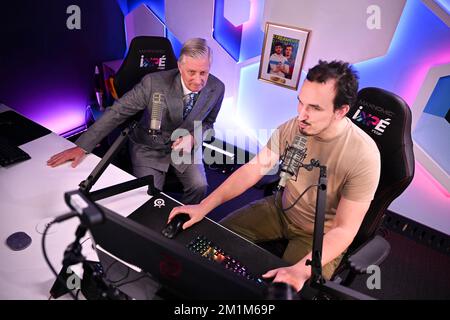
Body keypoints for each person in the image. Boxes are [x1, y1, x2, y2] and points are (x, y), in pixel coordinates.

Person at [168, 60, 381, 292]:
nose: (302, 115)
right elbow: (253, 169)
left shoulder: (363, 155)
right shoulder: (294, 127)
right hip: (280, 209)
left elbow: (345, 229)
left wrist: (301, 270)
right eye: (301, 102)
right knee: (210, 241)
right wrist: (204, 206)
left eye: (315, 108)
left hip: (319, 234)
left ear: (341, 111)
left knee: (284, 291)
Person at [47, 38, 225, 204]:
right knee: (148, 196)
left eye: (204, 72)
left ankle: (184, 216)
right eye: (191, 72)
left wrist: (193, 138)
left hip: (186, 148)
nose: (198, 80)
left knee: (199, 186)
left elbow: (209, 124)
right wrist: (83, 146)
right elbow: (117, 112)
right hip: (149, 146)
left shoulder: (217, 88)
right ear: (180, 66)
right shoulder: (153, 83)